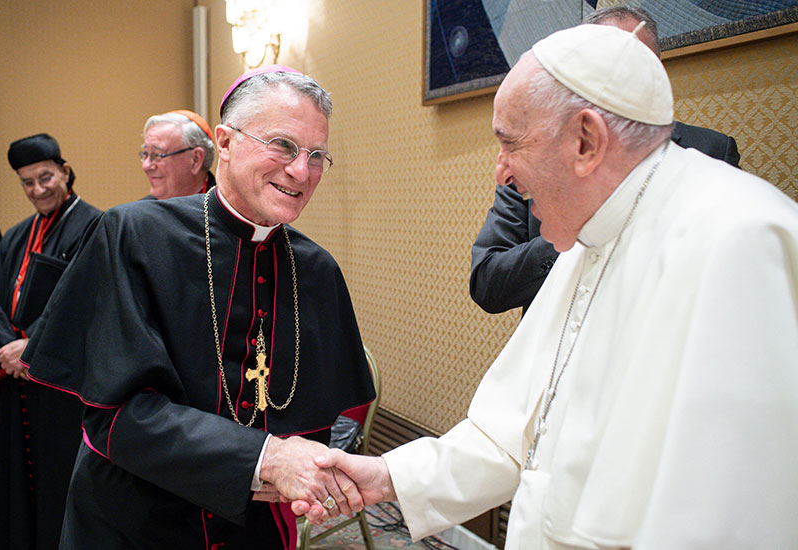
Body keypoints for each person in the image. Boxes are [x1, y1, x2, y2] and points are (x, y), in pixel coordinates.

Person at [296, 23, 798, 549]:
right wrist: (388, 477)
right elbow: (510, 435)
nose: (503, 174)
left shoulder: (742, 238)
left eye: (510, 145)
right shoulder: (587, 235)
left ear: (586, 140)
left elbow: (726, 522)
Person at [21, 67, 375, 549]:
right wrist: (263, 458)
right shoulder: (133, 234)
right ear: (224, 144)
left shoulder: (318, 270)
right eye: (284, 146)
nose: (301, 171)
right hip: (132, 522)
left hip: (255, 527)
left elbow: (317, 419)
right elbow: (114, 414)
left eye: (316, 156)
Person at [470, 6, 741, 314]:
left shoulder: (711, 153)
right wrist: (575, 232)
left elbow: (728, 280)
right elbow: (487, 283)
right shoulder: (531, 163)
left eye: (635, 67)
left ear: (658, 74)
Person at [0, 133, 102, 549]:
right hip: (13, 382)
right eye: (27, 183)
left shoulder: (94, 225)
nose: (38, 190)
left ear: (64, 170)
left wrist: (31, 348)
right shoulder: (15, 236)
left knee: (58, 488)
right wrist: (7, 347)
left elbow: (84, 300)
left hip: (59, 389)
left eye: (45, 177)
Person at [140, 109, 217, 199]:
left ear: (196, 159)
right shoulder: (138, 211)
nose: (146, 166)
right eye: (145, 153)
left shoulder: (228, 208)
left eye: (158, 155)